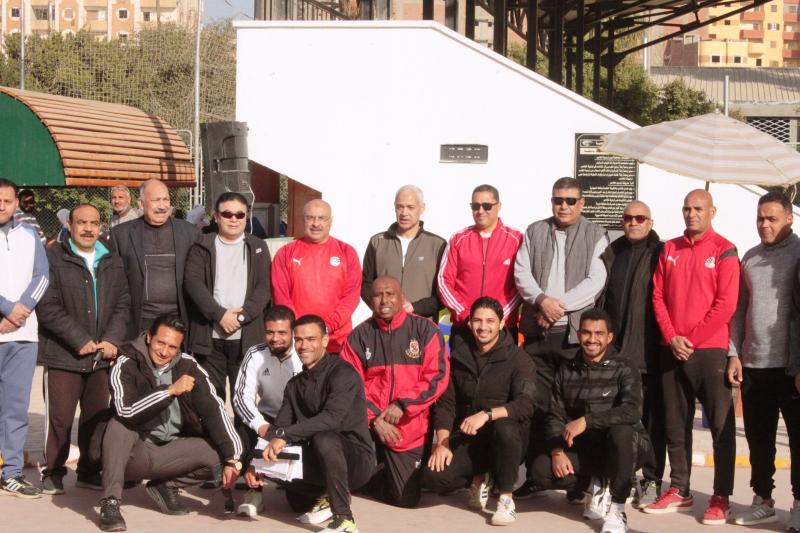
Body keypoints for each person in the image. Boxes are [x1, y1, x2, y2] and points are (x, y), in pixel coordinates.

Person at [98, 315, 243, 532]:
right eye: (161, 343)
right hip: (132, 454)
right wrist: (169, 391)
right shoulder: (126, 362)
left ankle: (166, 487)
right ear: (149, 337)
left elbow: (214, 410)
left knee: (222, 453)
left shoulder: (188, 366)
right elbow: (126, 411)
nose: (165, 352)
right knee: (118, 425)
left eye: (172, 347)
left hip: (170, 451)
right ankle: (110, 502)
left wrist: (234, 459)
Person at [645, 189, 739, 524]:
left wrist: (692, 340)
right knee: (675, 424)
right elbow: (657, 296)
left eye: (698, 208)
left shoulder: (725, 250)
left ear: (713, 211)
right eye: (687, 208)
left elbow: (726, 304)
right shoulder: (669, 248)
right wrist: (672, 337)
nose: (691, 214)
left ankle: (721, 496)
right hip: (671, 349)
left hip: (710, 351)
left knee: (721, 427)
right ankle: (680, 490)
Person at [513, 177, 608, 497]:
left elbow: (595, 282)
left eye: (570, 200)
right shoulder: (534, 231)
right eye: (558, 200)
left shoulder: (596, 234)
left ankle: (577, 480)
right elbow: (521, 273)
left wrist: (557, 307)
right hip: (538, 334)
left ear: (582, 203)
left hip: (573, 336)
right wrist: (541, 301)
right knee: (536, 405)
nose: (563, 206)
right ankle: (535, 475)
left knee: (574, 405)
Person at [37, 204, 131, 495]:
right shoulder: (53, 257)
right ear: (70, 225)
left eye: (94, 223)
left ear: (101, 226)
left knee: (96, 417)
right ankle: (53, 471)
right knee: (60, 419)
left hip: (102, 356)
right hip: (64, 354)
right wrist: (79, 339)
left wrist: (112, 340)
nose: (88, 229)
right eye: (81, 223)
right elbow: (47, 305)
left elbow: (123, 303)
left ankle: (89, 471)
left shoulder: (112, 259)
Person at [529, 308, 646, 533]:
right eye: (586, 333)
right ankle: (595, 484)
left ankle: (617, 508)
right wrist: (556, 451)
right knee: (540, 471)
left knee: (621, 431)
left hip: (626, 447)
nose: (592, 339)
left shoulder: (624, 366)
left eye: (599, 333)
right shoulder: (566, 368)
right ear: (578, 334)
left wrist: (587, 421)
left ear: (609, 337)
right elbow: (555, 414)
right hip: (587, 449)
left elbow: (632, 411)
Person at [424, 297, 535, 526]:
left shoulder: (518, 358)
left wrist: (487, 415)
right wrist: (443, 442)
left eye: (490, 321)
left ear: (502, 324)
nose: (483, 327)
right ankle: (480, 476)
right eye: (477, 320)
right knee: (434, 477)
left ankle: (505, 498)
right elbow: (446, 404)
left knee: (505, 427)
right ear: (469, 323)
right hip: (472, 439)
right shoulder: (457, 356)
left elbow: (526, 404)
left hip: (508, 441)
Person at [341, 276, 449, 508]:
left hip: (408, 427)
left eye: (390, 294)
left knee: (405, 499)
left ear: (402, 297)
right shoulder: (359, 336)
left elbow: (437, 377)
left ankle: (379, 474)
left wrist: (403, 405)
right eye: (378, 295)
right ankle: (365, 470)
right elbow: (349, 387)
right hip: (370, 422)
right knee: (343, 472)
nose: (384, 301)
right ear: (370, 300)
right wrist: (374, 419)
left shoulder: (426, 330)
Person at [262, 314, 376, 533]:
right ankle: (325, 495)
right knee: (293, 498)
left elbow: (331, 419)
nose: (304, 346)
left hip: (355, 461)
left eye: (311, 339)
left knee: (325, 438)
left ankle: (344, 519)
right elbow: (279, 427)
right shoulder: (294, 385)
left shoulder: (343, 373)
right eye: (299, 340)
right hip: (318, 457)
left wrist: (285, 436)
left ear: (325, 341)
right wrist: (257, 461)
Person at [727, 191, 800, 528]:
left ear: (789, 218)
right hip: (755, 364)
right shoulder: (751, 258)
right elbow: (739, 309)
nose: (764, 224)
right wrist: (734, 353)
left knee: (798, 441)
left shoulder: (799, 254)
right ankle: (762, 500)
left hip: (791, 367)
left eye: (772, 218)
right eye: (760, 218)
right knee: (759, 440)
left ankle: (798, 504)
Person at [598, 200, 665, 507]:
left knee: (651, 422)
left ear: (650, 222)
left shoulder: (660, 253)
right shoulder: (612, 252)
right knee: (615, 420)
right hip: (615, 353)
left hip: (649, 354)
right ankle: (615, 478)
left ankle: (651, 480)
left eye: (640, 218)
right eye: (628, 218)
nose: (633, 222)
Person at [184, 191, 271, 405]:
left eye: (239, 215)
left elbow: (264, 288)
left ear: (246, 217)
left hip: (246, 339)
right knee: (211, 401)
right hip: (209, 338)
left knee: (243, 400)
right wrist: (219, 315)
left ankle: (243, 431)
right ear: (216, 216)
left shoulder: (258, 246)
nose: (234, 219)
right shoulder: (201, 245)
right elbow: (193, 284)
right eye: (227, 214)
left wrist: (241, 317)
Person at [0, 178, 49, 498]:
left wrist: (21, 311)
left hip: (23, 335)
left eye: (7, 200)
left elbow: (42, 276)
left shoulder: (30, 234)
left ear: (17, 203)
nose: (1, 206)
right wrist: (6, 308)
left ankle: (12, 472)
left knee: (15, 407)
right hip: (9, 321)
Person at [232, 305, 302, 517]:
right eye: (270, 332)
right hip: (267, 418)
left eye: (282, 332)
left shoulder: (303, 354)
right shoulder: (255, 353)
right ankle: (254, 492)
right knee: (242, 426)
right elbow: (241, 397)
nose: (275, 338)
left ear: (292, 332)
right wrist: (261, 425)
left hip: (297, 420)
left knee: (298, 502)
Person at [111, 179, 200, 340]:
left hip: (180, 320)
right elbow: (114, 284)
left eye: (166, 199)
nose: (162, 206)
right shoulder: (120, 235)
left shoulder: (190, 233)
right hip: (139, 322)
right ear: (141, 203)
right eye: (156, 200)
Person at [271, 199, 361, 354]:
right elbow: (281, 296)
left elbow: (351, 297)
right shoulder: (285, 253)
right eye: (310, 217)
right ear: (303, 220)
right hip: (299, 340)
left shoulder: (347, 252)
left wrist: (327, 326)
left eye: (321, 218)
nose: (315, 223)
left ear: (331, 221)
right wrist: (301, 328)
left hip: (336, 340)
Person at [438, 184, 522, 340]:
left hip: (503, 327)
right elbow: (444, 281)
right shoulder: (458, 239)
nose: (480, 211)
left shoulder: (516, 239)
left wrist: (497, 316)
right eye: (475, 206)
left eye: (487, 206)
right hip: (464, 326)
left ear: (499, 206)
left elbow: (521, 285)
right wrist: (466, 315)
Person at [361, 185, 446, 319]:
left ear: (422, 208)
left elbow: (443, 292)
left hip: (422, 324)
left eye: (410, 207)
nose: (404, 213)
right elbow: (366, 285)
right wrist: (382, 308)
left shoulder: (437, 245)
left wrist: (415, 307)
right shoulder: (377, 242)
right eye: (400, 207)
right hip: (384, 324)